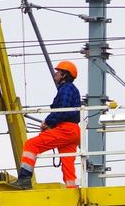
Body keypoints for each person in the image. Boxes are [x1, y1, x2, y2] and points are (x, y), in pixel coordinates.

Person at [17, 60, 81, 189]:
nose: (55, 74)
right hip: (73, 131)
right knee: (67, 163)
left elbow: (63, 110)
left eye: (58, 72)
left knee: (31, 145)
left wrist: (48, 122)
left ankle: (24, 179)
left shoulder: (66, 89)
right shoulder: (70, 89)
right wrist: (51, 124)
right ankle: (71, 189)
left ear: (64, 75)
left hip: (66, 129)